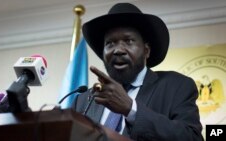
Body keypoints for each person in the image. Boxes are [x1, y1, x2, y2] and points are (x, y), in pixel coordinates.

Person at [72, 3, 204, 141]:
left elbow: (192, 138)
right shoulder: (83, 100)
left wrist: (131, 109)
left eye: (128, 41)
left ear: (146, 51)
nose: (118, 50)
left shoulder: (176, 86)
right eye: (110, 43)